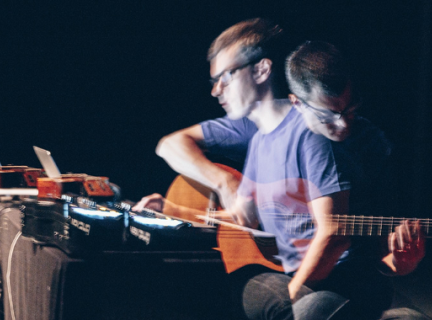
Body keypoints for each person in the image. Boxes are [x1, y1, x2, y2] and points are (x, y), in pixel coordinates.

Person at [133, 20, 427, 320]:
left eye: (225, 76)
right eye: (214, 80)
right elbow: (254, 217)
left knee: (305, 306)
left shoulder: (322, 136)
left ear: (261, 70)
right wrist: (182, 206)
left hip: (335, 279)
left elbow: (340, 238)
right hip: (282, 268)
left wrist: (396, 263)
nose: (216, 90)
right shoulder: (256, 131)